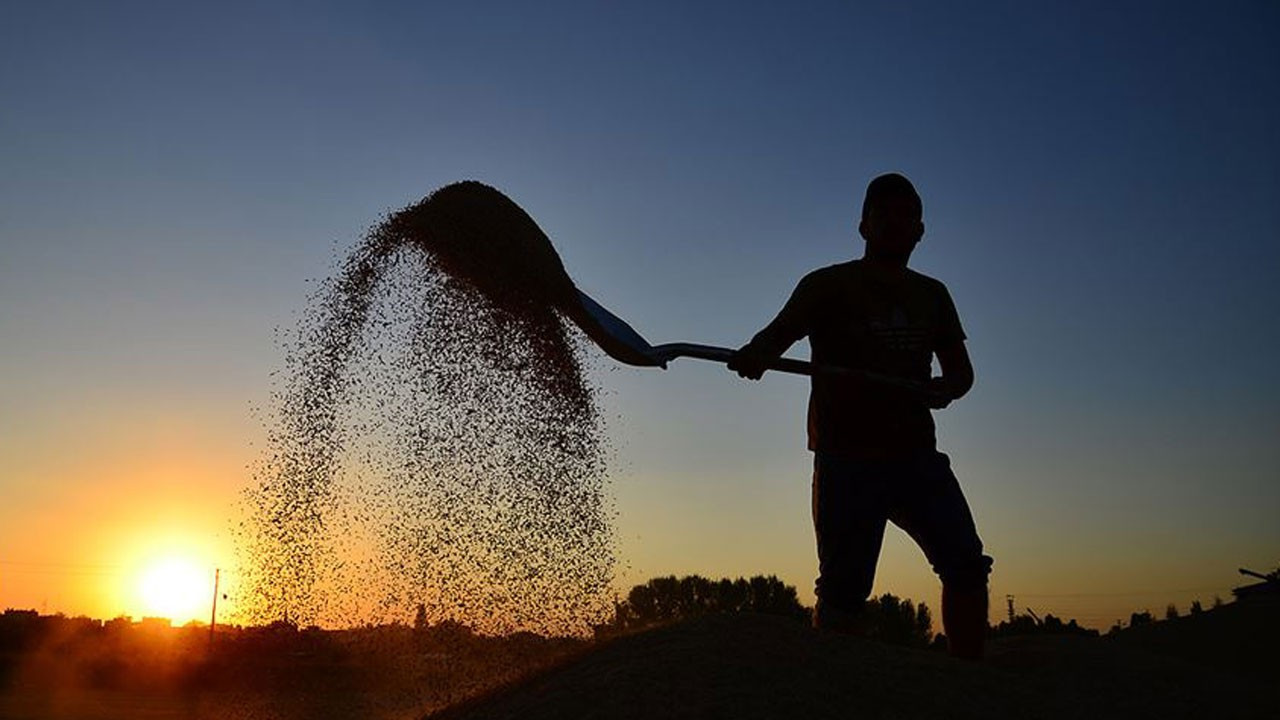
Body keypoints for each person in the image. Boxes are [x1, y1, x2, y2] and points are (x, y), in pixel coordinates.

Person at [727, 173, 993, 659]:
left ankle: (969, 677)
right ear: (863, 226)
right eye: (883, 215)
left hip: (915, 456)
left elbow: (961, 372)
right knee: (843, 596)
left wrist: (946, 389)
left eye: (906, 216)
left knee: (966, 565)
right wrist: (755, 355)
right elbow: (776, 336)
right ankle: (835, 691)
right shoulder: (826, 286)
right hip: (846, 461)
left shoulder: (933, 295)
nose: (895, 224)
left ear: (920, 230)